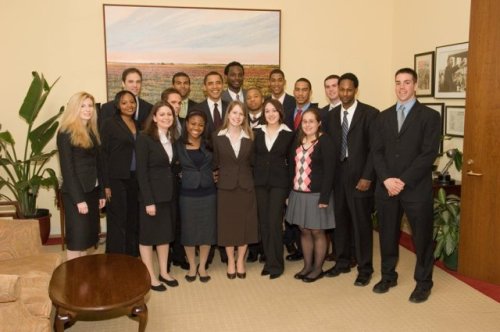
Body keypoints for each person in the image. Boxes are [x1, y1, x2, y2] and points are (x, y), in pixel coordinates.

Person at [371, 67, 441, 303]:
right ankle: (388, 276)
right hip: (387, 187)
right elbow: (377, 152)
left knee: (421, 238)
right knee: (387, 236)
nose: (402, 87)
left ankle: (424, 282)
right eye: (398, 82)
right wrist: (387, 179)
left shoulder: (430, 116)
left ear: (416, 85)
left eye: (407, 82)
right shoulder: (383, 116)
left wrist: (403, 180)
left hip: (415, 188)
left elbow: (428, 153)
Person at [325, 73, 379, 287]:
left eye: (349, 90)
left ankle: (365, 268)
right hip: (338, 176)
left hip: (360, 177)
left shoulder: (370, 114)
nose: (345, 93)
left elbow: (375, 150)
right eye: (342, 89)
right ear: (337, 90)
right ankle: (342, 261)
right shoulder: (330, 116)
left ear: (356, 90)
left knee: (361, 224)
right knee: (339, 221)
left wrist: (367, 176)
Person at [286, 108, 335, 282]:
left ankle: (317, 268)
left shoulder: (325, 141)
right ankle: (307, 266)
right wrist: (289, 192)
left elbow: (330, 171)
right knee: (304, 230)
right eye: (304, 121)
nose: (307, 125)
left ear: (319, 123)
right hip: (298, 194)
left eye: (311, 121)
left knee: (317, 231)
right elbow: (291, 168)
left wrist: (324, 197)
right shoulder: (298, 141)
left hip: (317, 195)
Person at [136, 101, 179, 291]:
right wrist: (148, 201)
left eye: (169, 114)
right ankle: (150, 275)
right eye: (162, 114)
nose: (166, 118)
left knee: (164, 235)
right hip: (151, 197)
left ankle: (163, 272)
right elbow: (141, 173)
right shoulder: (144, 139)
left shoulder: (172, 138)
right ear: (154, 118)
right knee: (147, 237)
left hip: (169, 195)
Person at [57, 92, 106, 260]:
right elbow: (67, 170)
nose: (87, 109)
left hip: (92, 191)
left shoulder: (92, 132)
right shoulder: (65, 133)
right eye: (83, 106)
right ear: (74, 108)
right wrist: (79, 199)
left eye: (90, 106)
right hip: (75, 194)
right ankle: (74, 279)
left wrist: (100, 193)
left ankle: (83, 276)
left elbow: (99, 166)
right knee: (77, 239)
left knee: (87, 238)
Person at [212, 101, 258, 279]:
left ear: (244, 117)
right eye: (234, 113)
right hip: (225, 187)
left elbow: (253, 163)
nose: (237, 117)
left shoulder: (251, 137)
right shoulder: (216, 136)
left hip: (246, 186)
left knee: (245, 225)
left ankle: (241, 260)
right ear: (228, 114)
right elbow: (215, 161)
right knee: (228, 225)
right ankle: (231, 260)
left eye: (241, 114)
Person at [253, 99, 294, 279]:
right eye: (267, 111)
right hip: (260, 183)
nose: (270, 114)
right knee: (264, 224)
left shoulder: (289, 134)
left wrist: (290, 191)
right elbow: (252, 159)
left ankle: (277, 264)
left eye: (274, 110)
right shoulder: (256, 132)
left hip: (279, 184)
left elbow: (292, 164)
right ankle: (269, 261)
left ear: (280, 112)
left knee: (275, 222)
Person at [176, 109, 217, 283]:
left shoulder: (209, 143)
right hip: (187, 193)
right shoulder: (177, 144)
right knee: (189, 231)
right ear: (186, 124)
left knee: (207, 230)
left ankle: (202, 266)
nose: (196, 127)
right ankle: (192, 265)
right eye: (193, 123)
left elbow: (219, 162)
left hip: (208, 192)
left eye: (200, 124)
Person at [101, 90, 141, 256]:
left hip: (135, 178)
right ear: (117, 105)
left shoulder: (138, 124)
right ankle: (116, 257)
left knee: (133, 218)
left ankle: (131, 255)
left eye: (132, 102)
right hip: (116, 179)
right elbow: (103, 154)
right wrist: (106, 184)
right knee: (118, 220)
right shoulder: (109, 123)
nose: (129, 105)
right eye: (124, 102)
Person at [284, 78, 319, 262]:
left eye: (304, 89)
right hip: (293, 169)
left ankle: (315, 257)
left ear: (310, 92)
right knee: (297, 216)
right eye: (297, 89)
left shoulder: (317, 113)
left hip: (311, 173)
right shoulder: (288, 113)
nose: (300, 93)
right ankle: (299, 250)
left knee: (313, 222)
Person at [195, 71, 229, 137]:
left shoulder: (230, 108)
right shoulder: (196, 109)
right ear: (204, 87)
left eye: (218, 83)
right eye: (210, 83)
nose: (215, 87)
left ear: (223, 86)